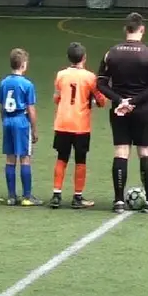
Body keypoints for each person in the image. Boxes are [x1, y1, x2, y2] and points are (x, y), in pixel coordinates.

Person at [96, 13, 148, 214]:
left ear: (125, 29)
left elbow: (101, 84)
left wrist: (121, 101)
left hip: (119, 111)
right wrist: (134, 102)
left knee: (121, 152)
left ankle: (119, 201)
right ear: (142, 30)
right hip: (144, 110)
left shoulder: (111, 54)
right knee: (146, 152)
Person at [50, 42, 106, 209]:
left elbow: (56, 98)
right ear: (84, 57)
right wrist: (93, 102)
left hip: (62, 123)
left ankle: (56, 195)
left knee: (61, 158)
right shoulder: (90, 77)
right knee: (80, 160)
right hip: (81, 125)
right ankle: (77, 197)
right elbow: (101, 100)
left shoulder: (61, 75)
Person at [0, 49, 41, 206]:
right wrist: (34, 129)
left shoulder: (4, 83)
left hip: (8, 120)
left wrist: (4, 120)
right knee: (25, 157)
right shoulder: (27, 84)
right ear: (23, 65)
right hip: (21, 121)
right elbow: (31, 109)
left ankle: (11, 196)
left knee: (10, 158)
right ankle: (27, 196)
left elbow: (1, 106)